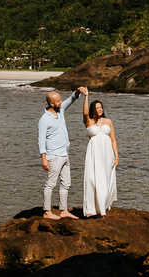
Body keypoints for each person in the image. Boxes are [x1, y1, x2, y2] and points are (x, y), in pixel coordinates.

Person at [38, 86, 87, 219]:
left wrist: (78, 91)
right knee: (50, 184)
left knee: (66, 183)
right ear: (51, 103)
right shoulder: (44, 119)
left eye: (60, 100)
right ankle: (47, 211)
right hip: (53, 156)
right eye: (58, 101)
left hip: (64, 153)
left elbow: (72, 99)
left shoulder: (60, 110)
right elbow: (41, 141)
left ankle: (63, 210)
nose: (61, 102)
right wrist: (44, 159)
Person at [81, 91, 119, 217]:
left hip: (107, 154)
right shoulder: (89, 122)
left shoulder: (108, 121)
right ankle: (90, 210)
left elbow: (113, 140)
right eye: (97, 108)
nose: (100, 109)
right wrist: (86, 96)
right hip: (93, 154)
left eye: (101, 107)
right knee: (91, 179)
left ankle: (101, 208)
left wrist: (116, 157)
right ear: (93, 110)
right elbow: (85, 112)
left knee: (105, 179)